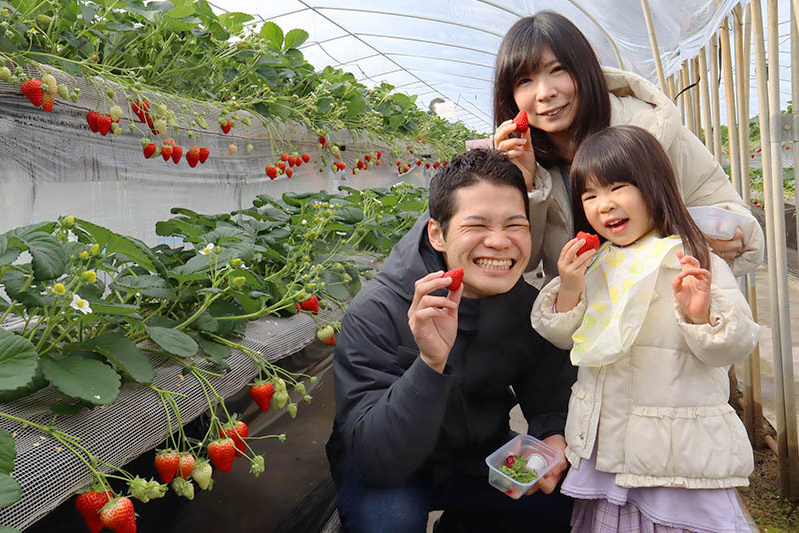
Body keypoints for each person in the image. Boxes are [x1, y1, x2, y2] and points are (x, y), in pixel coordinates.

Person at [326, 148, 576, 532]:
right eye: (477, 225)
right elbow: (376, 459)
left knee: (561, 501)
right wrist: (429, 364)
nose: (499, 242)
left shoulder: (526, 306)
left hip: (477, 456)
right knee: (387, 522)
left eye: (514, 225)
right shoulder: (378, 312)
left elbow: (550, 391)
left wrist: (552, 436)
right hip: (392, 468)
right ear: (438, 234)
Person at [530, 125, 760, 532]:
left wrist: (701, 314)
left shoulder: (692, 260)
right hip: (607, 453)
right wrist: (569, 288)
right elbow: (569, 338)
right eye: (590, 194)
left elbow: (734, 345)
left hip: (675, 460)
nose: (604, 205)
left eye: (618, 187)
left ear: (656, 186)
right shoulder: (598, 264)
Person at [492, 11, 763, 284]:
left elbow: (729, 210)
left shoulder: (653, 129)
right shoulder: (524, 161)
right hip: (584, 320)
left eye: (557, 69)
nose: (544, 92)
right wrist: (526, 186)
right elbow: (523, 261)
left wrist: (730, 234)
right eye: (524, 81)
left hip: (672, 308)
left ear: (584, 69)